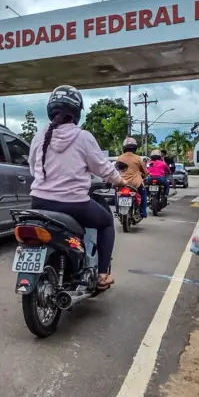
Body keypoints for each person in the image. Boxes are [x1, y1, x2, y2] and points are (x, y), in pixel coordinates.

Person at [29, 85, 125, 289]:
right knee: (107, 222)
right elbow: (104, 168)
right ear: (77, 112)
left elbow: (33, 169)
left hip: (38, 202)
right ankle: (102, 275)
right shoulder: (83, 137)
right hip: (72, 204)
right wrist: (121, 181)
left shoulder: (39, 137)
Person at [117, 137, 148, 218]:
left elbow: (117, 169)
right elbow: (145, 172)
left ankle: (117, 210)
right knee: (143, 193)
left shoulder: (120, 158)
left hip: (122, 182)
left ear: (124, 148)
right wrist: (145, 174)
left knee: (116, 194)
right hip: (135, 183)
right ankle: (143, 212)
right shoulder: (138, 158)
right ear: (135, 148)